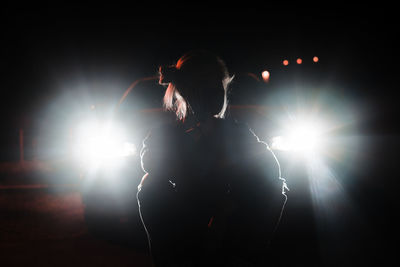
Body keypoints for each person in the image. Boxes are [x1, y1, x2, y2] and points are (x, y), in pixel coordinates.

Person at [136, 50, 288, 266]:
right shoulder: (169, 135)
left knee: (272, 187)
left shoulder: (235, 132)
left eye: (218, 87)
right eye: (212, 87)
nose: (217, 94)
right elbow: (152, 164)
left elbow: (271, 173)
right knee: (149, 186)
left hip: (230, 232)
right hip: (187, 232)